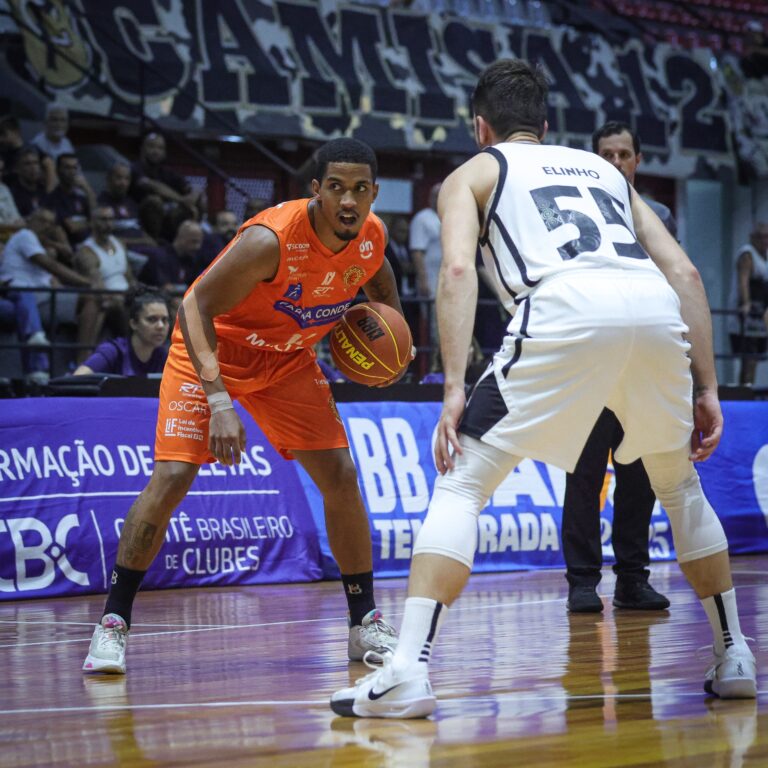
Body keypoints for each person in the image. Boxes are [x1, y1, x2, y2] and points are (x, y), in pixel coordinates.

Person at [331, 59, 757, 718]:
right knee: (679, 485)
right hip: (653, 309)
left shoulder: (472, 173)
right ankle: (735, 656)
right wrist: (707, 383)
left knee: (464, 483)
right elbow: (688, 274)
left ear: (481, 126)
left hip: (564, 308)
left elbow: (453, 269)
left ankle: (409, 670)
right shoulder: (606, 172)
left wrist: (452, 390)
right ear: (547, 124)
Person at [82, 138, 408, 675]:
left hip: (288, 361)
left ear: (373, 193)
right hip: (213, 350)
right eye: (336, 188)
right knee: (173, 477)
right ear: (316, 191)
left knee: (340, 473)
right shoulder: (271, 239)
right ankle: (113, 624)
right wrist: (218, 399)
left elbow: (382, 284)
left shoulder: (371, 237)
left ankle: (364, 621)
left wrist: (395, 348)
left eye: (359, 190)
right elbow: (193, 305)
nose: (348, 201)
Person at [561, 121, 677, 613]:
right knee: (583, 477)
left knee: (638, 479)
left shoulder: (660, 215)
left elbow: (672, 282)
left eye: (623, 154)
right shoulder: (568, 211)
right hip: (591, 362)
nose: (614, 162)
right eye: (605, 153)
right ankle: (583, 584)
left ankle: (632, 578)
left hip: (641, 365)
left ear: (637, 160)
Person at [74, 286, 169, 376]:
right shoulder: (112, 351)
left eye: (164, 320)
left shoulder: (164, 356)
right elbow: (75, 380)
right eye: (152, 319)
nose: (161, 326)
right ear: (134, 324)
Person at [728, 222, 768, 386]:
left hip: (761, 314)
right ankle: (745, 388)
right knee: (748, 357)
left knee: (756, 355)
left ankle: (748, 387)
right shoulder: (747, 255)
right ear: (753, 238)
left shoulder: (765, 256)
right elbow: (743, 281)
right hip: (748, 314)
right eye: (761, 237)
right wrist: (746, 303)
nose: (764, 240)